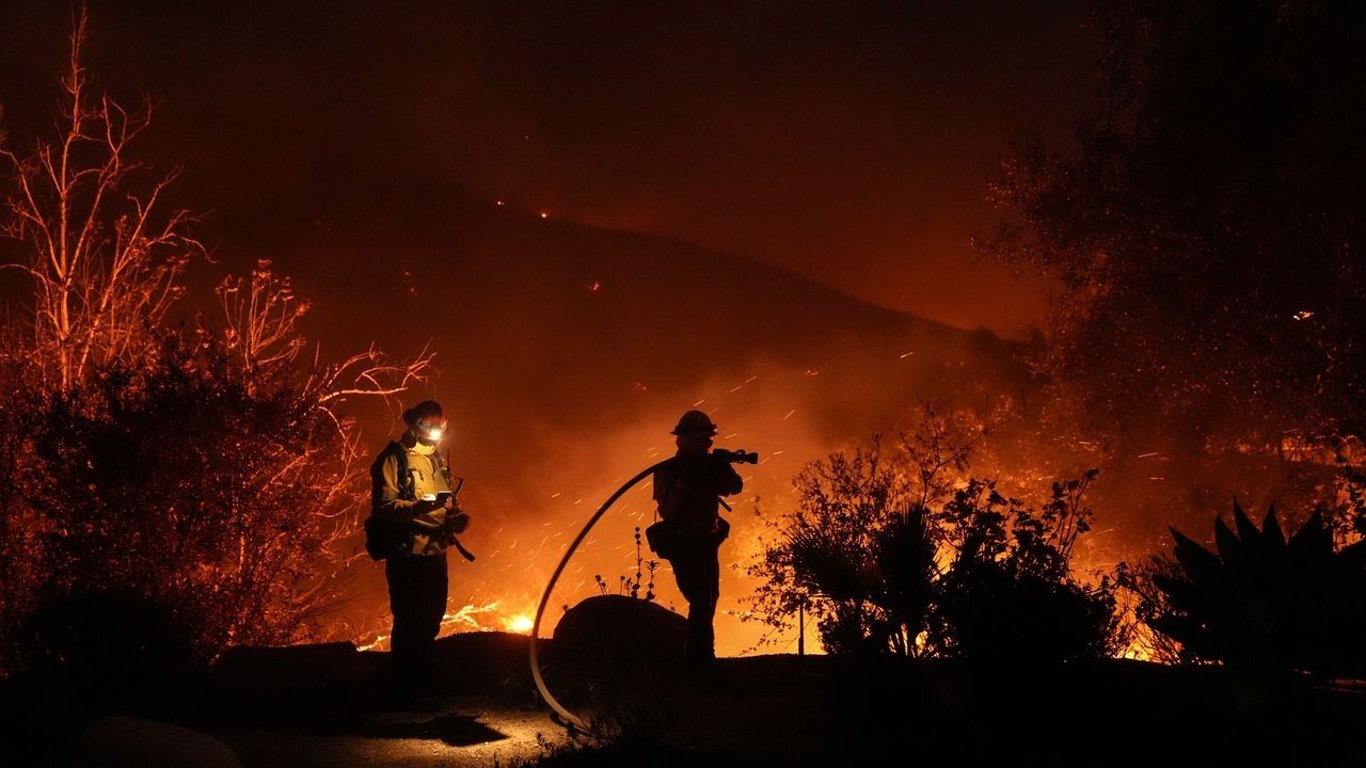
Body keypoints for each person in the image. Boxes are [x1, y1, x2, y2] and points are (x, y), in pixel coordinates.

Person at [369, 400, 471, 708]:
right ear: (414, 426)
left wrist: (456, 517)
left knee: (431, 621)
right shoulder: (392, 460)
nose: (436, 433)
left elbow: (449, 501)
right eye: (430, 428)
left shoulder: (436, 458)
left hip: (435, 551)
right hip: (407, 554)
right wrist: (418, 507)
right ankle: (406, 689)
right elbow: (385, 508)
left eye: (441, 428)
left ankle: (424, 684)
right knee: (410, 621)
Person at [652, 409, 744, 666]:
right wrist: (688, 480)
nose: (708, 443)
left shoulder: (709, 466)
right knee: (701, 598)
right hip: (683, 543)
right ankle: (698, 661)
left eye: (709, 439)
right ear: (683, 440)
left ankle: (699, 659)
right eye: (702, 439)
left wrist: (719, 468)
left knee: (710, 598)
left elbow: (734, 487)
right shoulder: (668, 471)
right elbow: (668, 509)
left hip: (707, 541)